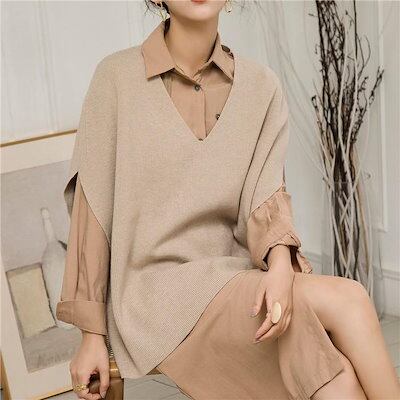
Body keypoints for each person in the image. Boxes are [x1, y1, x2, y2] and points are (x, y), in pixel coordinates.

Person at [56, 1, 400, 399]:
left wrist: (281, 269)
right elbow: (93, 212)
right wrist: (91, 335)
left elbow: (266, 199)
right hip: (152, 298)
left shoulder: (261, 87)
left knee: (338, 375)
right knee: (349, 300)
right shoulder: (116, 78)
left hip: (233, 279)